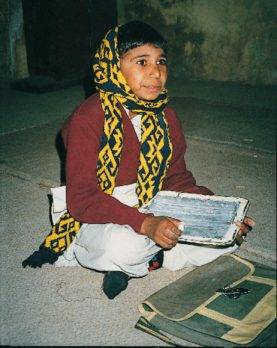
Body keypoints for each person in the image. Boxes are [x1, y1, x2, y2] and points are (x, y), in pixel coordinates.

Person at [22, 21, 255, 299]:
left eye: (161, 62)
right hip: (98, 208)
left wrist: (220, 215)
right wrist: (147, 224)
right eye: (141, 62)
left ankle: (144, 261)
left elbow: (177, 179)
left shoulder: (166, 117)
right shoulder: (89, 117)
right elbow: (82, 199)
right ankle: (146, 256)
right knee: (120, 247)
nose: (156, 72)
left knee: (227, 241)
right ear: (113, 67)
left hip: (153, 200)